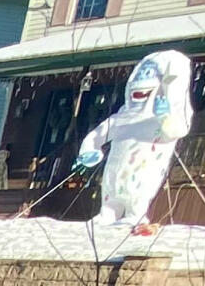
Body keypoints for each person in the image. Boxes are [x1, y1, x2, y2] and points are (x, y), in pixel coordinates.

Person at [73, 50, 195, 235]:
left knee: (139, 192)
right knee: (110, 191)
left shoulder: (161, 114)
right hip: (114, 172)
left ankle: (134, 215)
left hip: (146, 164)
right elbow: (99, 133)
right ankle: (107, 213)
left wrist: (165, 117)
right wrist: (89, 149)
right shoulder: (123, 115)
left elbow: (177, 130)